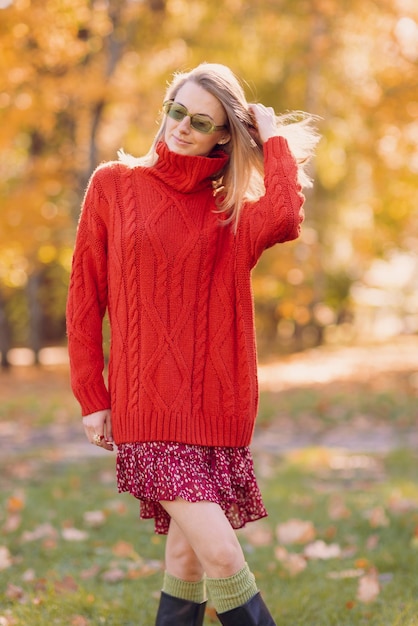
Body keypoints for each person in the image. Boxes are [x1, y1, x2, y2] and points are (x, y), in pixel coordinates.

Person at [66, 62, 318, 625]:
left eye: (199, 120)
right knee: (224, 553)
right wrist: (92, 394)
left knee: (186, 558)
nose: (180, 126)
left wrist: (270, 134)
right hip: (147, 407)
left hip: (214, 409)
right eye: (175, 111)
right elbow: (85, 295)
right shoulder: (114, 185)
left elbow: (283, 215)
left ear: (223, 134)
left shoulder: (229, 211)